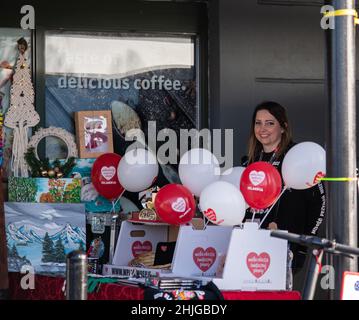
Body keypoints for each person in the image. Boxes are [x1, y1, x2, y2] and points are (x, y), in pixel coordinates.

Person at [242, 101, 326, 278]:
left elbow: (319, 204)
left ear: (283, 127)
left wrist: (303, 244)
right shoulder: (248, 161)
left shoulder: (298, 157)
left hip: (287, 247)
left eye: (270, 123)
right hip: (249, 246)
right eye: (258, 123)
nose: (262, 128)